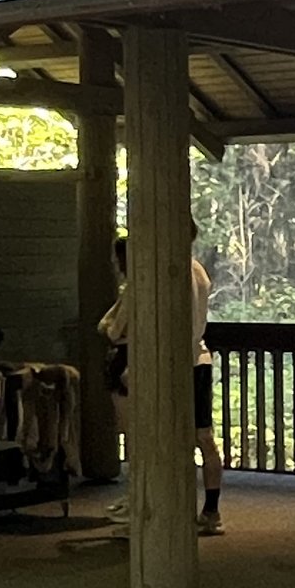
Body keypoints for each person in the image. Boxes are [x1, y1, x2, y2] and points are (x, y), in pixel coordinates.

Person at [99, 221, 223, 534]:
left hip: (165, 364)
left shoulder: (161, 275)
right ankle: (210, 509)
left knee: (153, 438)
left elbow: (116, 329)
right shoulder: (200, 272)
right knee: (202, 436)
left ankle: (153, 513)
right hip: (199, 358)